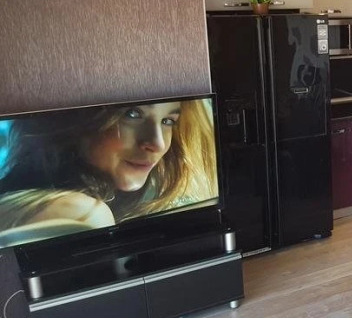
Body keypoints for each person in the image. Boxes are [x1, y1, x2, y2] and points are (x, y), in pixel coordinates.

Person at [0, 99, 218, 243]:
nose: (158, 143)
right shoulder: (84, 213)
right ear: (79, 120)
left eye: (168, 121)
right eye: (132, 114)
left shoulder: (29, 198)